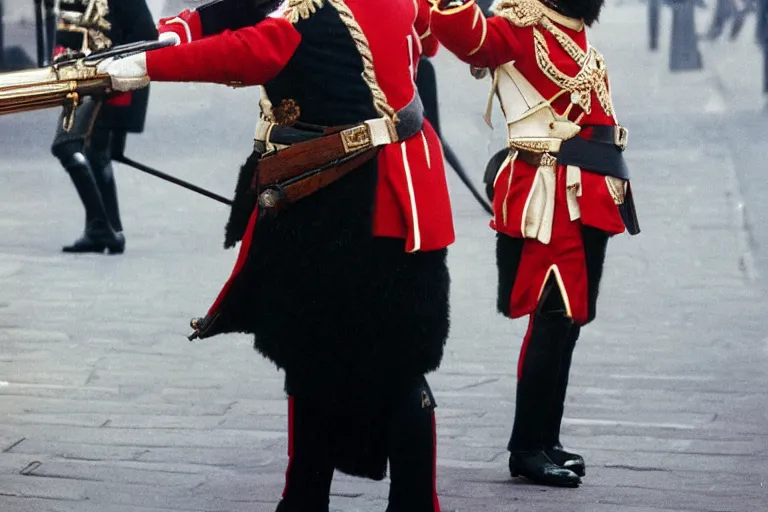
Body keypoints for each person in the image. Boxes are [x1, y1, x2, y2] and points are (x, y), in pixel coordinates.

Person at [98, 0, 455, 509]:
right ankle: (313, 498)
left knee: (381, 360)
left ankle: (402, 501)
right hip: (355, 188)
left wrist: (147, 66)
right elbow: (242, 10)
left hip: (360, 197)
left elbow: (253, 50)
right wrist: (177, 31)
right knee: (320, 355)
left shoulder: (314, 12)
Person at [429, 0, 640, 487]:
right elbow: (464, 33)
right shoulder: (517, 26)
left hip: (589, 191)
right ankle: (526, 447)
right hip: (549, 194)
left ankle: (545, 437)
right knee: (552, 315)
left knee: (570, 322)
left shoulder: (572, 27)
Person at [50, 0, 157, 254]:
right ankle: (110, 229)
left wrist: (116, 65)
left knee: (66, 145)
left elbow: (146, 35)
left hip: (108, 83)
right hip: (84, 80)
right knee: (96, 153)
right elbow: (69, 34)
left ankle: (101, 227)